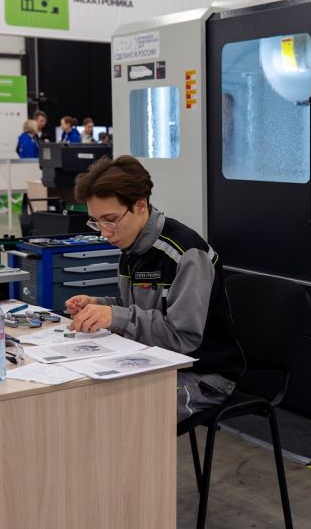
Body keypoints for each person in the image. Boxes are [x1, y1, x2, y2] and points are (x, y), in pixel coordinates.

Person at [66, 156, 244, 421]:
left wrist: (115, 317)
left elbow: (182, 338)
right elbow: (136, 308)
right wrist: (99, 305)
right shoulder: (131, 246)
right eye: (96, 221)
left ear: (140, 205)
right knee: (79, 396)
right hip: (153, 362)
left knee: (112, 413)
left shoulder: (186, 254)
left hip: (203, 376)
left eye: (110, 220)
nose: (104, 232)